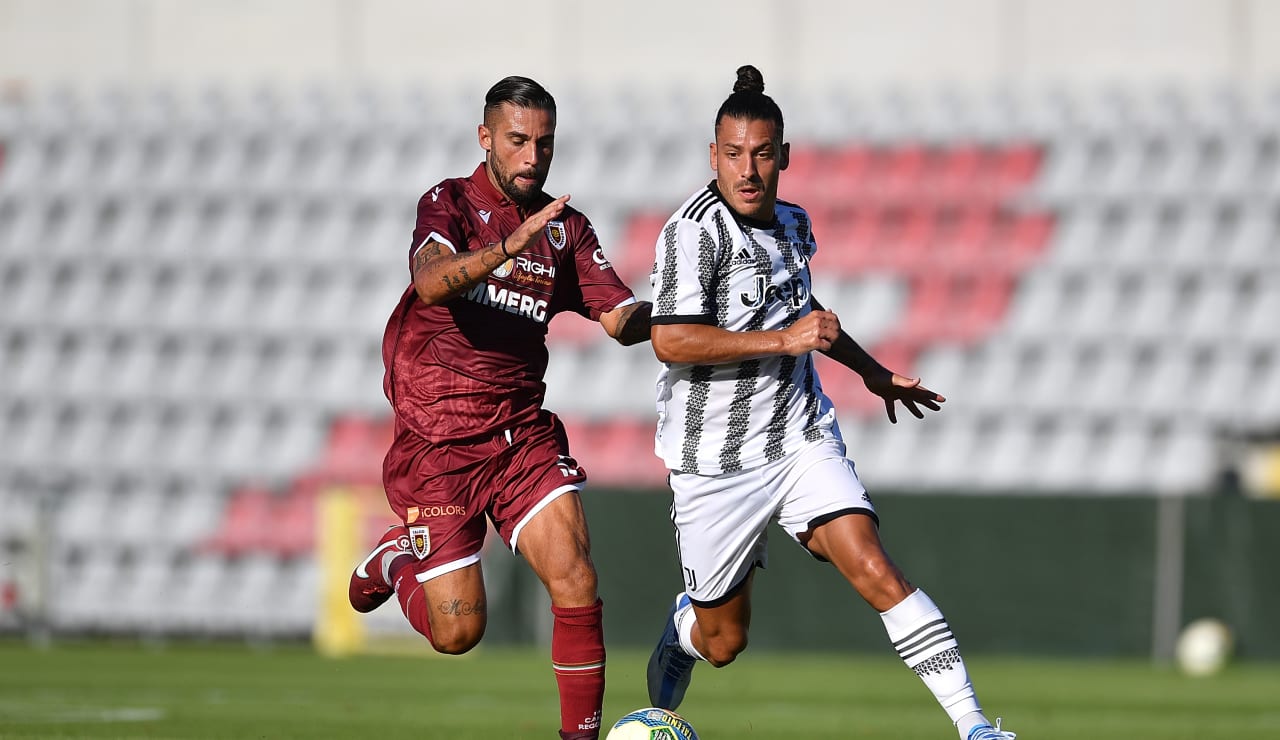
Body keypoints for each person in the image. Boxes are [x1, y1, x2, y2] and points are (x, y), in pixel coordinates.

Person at [643, 65, 1017, 740]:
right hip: (715, 463)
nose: (747, 169)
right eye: (733, 154)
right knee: (724, 640)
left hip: (798, 437)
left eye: (761, 154)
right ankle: (683, 632)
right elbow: (670, 340)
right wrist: (785, 338)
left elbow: (804, 311)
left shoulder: (793, 223)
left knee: (874, 566)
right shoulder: (691, 232)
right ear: (713, 156)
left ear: (784, 156)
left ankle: (975, 727)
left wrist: (871, 372)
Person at [348, 75, 651, 740]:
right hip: (439, 444)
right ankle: (394, 560)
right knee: (458, 633)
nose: (531, 157)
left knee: (574, 573)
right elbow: (429, 284)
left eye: (544, 144)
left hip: (519, 436)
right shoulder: (449, 203)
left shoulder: (566, 229)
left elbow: (618, 316)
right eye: (517, 141)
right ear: (485, 138)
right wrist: (508, 248)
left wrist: (667, 316)